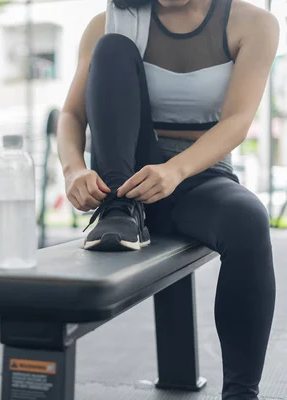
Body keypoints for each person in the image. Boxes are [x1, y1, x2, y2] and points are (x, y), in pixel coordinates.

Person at [57, 0, 277, 398]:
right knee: (113, 47)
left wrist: (176, 170)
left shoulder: (254, 24)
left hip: (197, 177)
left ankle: (242, 394)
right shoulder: (107, 23)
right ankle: (121, 214)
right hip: (123, 185)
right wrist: (73, 171)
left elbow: (237, 121)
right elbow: (72, 114)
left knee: (248, 220)